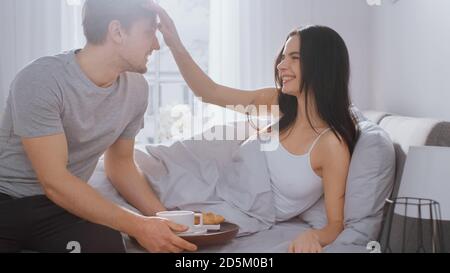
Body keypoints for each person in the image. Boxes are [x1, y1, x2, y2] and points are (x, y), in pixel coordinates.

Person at [147, 2, 360, 253]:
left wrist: (314, 236)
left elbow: (336, 225)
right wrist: (174, 43)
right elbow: (209, 92)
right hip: (209, 181)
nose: (281, 66)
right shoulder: (279, 103)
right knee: (128, 173)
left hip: (233, 210)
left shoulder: (331, 145)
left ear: (321, 66)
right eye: (283, 56)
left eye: (294, 58)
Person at [0, 0, 197, 253]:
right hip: (7, 201)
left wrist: (164, 219)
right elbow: (54, 182)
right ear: (117, 32)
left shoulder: (136, 89)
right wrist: (137, 225)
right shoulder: (41, 80)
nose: (157, 45)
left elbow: (121, 164)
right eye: (149, 33)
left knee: (109, 246)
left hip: (62, 209)